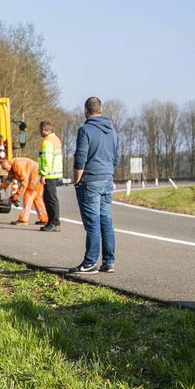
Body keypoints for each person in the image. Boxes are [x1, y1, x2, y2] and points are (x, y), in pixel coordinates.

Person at [71, 98, 119, 273]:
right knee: (105, 220)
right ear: (101, 109)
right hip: (107, 179)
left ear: (86, 110)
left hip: (90, 181)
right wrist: (109, 174)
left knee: (92, 223)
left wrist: (77, 180)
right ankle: (109, 261)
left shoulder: (85, 130)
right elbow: (116, 158)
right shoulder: (113, 132)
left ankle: (90, 262)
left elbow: (80, 158)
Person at [0, 155, 48, 226]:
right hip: (37, 176)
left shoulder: (17, 165)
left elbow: (24, 182)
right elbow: (8, 180)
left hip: (35, 177)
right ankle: (44, 219)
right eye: (4, 169)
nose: (6, 170)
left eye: (6, 168)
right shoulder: (12, 167)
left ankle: (23, 219)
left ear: (9, 164)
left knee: (28, 196)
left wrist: (17, 194)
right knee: (37, 199)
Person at [37, 121, 64, 231]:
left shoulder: (47, 141)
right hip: (54, 173)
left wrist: (44, 174)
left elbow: (47, 159)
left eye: (40, 129)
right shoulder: (55, 139)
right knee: (50, 198)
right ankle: (52, 222)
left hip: (49, 174)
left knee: (50, 199)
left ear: (44, 129)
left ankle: (54, 223)